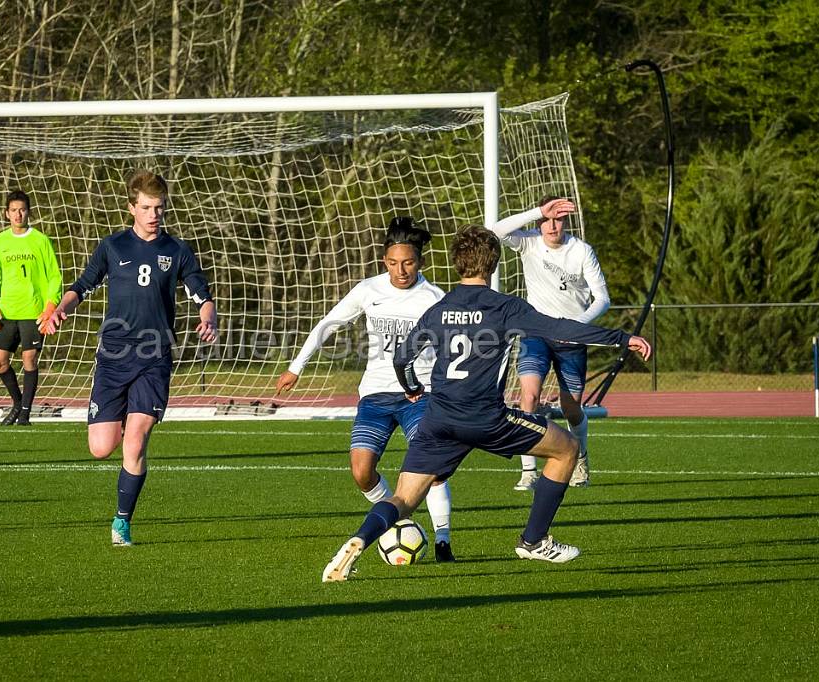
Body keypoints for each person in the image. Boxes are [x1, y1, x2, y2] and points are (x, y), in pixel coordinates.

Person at [322, 226, 649, 582]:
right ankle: (534, 540)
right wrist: (621, 337)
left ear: (456, 262)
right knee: (567, 449)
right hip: (486, 418)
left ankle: (358, 541)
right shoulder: (505, 308)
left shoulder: (440, 307)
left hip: (439, 419)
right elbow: (561, 329)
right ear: (492, 265)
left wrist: (412, 387)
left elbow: (402, 358)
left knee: (402, 498)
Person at [41, 170, 217, 547]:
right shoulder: (113, 246)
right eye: (146, 208)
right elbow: (82, 285)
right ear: (131, 208)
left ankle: (122, 522)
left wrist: (208, 318)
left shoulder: (177, 251)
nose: (154, 215)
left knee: (134, 442)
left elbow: (203, 295)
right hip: (113, 357)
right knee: (102, 448)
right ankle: (119, 412)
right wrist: (61, 309)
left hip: (154, 357)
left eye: (159, 208)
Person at [275, 217, 457, 563]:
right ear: (383, 260)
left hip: (418, 394)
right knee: (361, 471)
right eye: (392, 263)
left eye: (408, 263)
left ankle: (443, 539)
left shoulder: (435, 299)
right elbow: (329, 323)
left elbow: (451, 351)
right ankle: (397, 517)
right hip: (375, 394)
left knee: (430, 467)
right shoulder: (368, 290)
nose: (400, 270)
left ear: (420, 262)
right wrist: (296, 367)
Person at [490, 197, 610, 490]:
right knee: (528, 397)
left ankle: (580, 459)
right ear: (540, 221)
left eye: (558, 219)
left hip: (572, 338)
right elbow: (495, 230)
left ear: (566, 222)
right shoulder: (529, 242)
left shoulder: (581, 251)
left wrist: (575, 327)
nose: (552, 225)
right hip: (536, 335)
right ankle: (529, 470)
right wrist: (536, 211)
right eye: (547, 219)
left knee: (571, 408)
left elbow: (603, 299)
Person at [0, 190, 63, 426]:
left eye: (22, 209)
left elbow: (54, 276)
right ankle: (18, 403)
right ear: (6, 214)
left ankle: (25, 414)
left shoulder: (40, 240)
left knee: (29, 359)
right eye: (13, 210)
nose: (18, 214)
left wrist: (50, 307)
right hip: (6, 313)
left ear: (28, 211)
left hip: (33, 312)